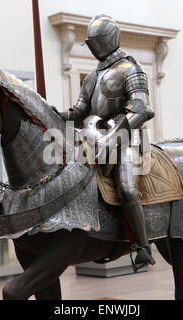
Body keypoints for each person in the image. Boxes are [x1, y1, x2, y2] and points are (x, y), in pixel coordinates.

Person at [59, 14, 155, 268]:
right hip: (93, 139)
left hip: (126, 139)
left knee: (126, 187)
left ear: (107, 40)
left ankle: (142, 246)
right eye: (90, 43)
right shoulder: (92, 77)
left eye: (95, 42)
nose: (93, 47)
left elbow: (141, 108)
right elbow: (79, 113)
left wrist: (114, 134)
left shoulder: (131, 68)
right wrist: (49, 113)